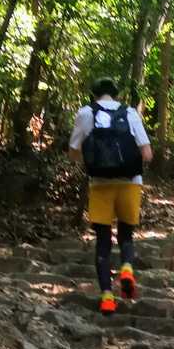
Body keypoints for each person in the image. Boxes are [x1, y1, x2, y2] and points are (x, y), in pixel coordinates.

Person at [68, 77, 153, 314]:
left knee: (103, 241)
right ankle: (127, 269)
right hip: (130, 183)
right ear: (116, 94)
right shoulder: (130, 113)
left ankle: (107, 297)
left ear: (94, 94)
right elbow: (147, 154)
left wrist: (91, 159)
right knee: (126, 234)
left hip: (100, 184)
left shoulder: (86, 113)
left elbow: (73, 152)